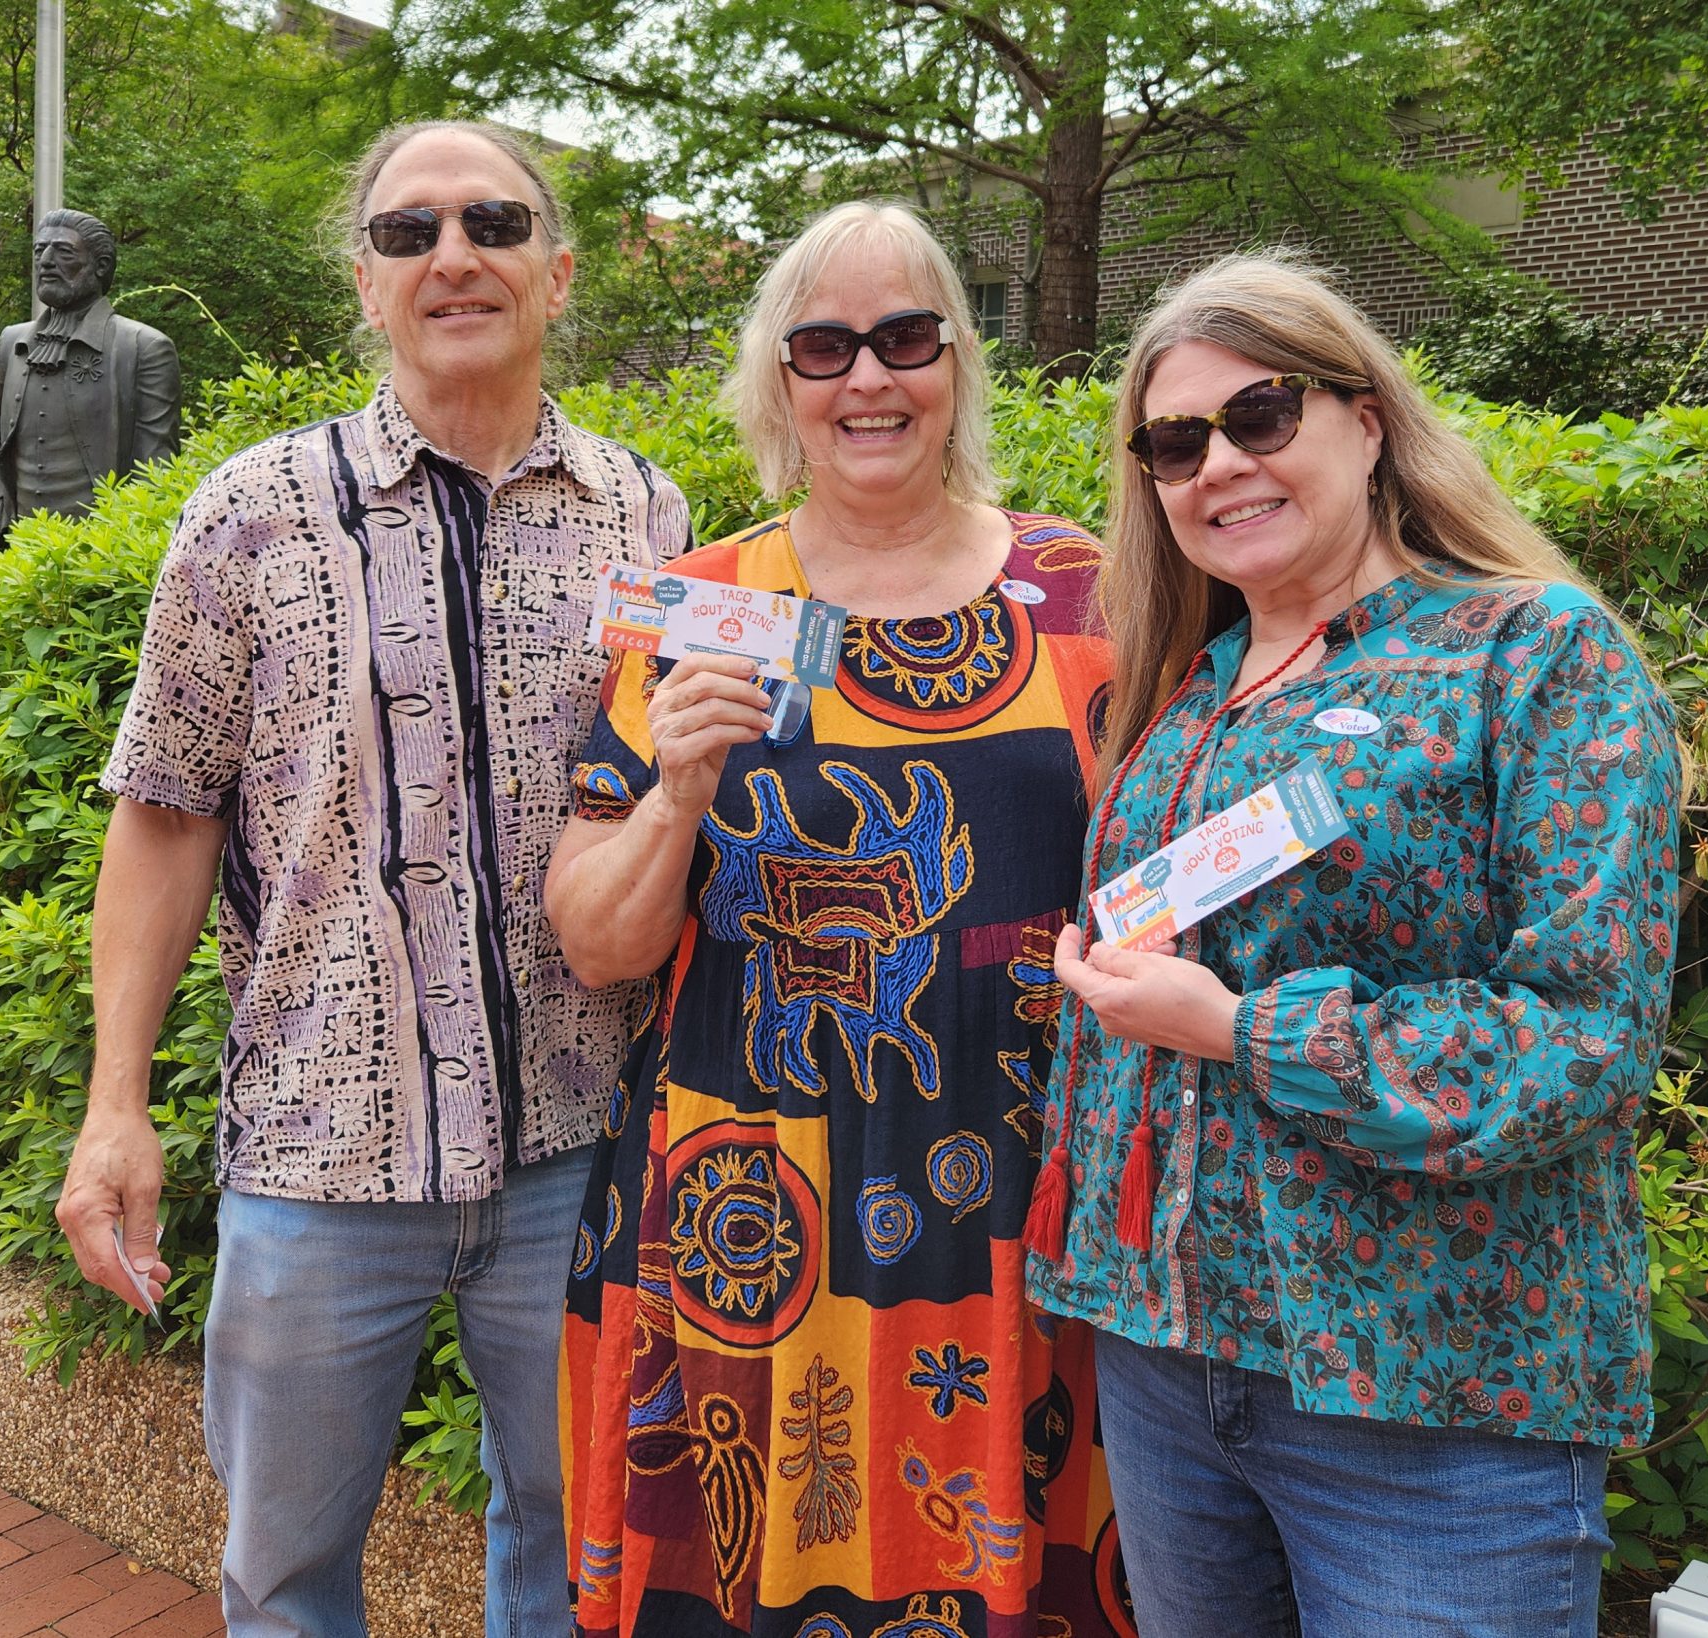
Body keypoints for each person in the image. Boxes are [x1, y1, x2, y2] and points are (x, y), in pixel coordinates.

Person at [53, 120, 689, 1635]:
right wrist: (113, 1103)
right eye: (410, 233)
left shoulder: (650, 518)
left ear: (558, 266)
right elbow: (162, 814)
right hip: (319, 1158)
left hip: (577, 1150)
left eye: (492, 221)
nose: (453, 255)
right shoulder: (246, 510)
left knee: (576, 1562)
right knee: (283, 1583)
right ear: (366, 279)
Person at [1023, 251, 1683, 1637]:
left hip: (1430, 1394)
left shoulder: (1529, 653)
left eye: (1262, 415)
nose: (1219, 463)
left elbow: (1581, 1041)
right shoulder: (1180, 691)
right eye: (1175, 440)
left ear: (1367, 420)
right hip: (1168, 1363)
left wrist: (1239, 1029)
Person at [547, 200, 1126, 1638]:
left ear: (956, 365)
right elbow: (597, 944)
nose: (869, 378)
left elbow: (1172, 878)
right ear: (777, 385)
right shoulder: (696, 602)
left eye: (905, 338)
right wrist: (677, 795)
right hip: (750, 1198)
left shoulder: (1091, 590)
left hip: (1021, 1197)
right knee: (752, 1561)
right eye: (824, 347)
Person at [0, 208, 182, 547]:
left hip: (99, 552)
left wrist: (125, 544)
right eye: (39, 251)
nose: (46, 261)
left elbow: (156, 465)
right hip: (18, 549)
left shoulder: (144, 347)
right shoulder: (12, 341)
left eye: (63, 252)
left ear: (101, 266)